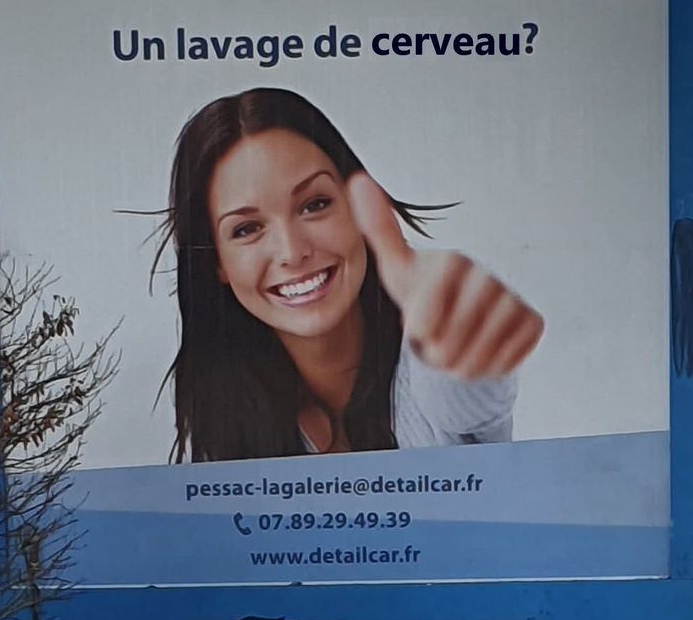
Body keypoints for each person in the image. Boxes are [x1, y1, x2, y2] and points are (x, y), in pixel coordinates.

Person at [152, 87, 543, 463]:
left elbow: (465, 400)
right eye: (246, 229)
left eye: (315, 204)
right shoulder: (223, 421)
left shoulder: (421, 356)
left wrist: (460, 327)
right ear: (217, 262)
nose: (292, 251)